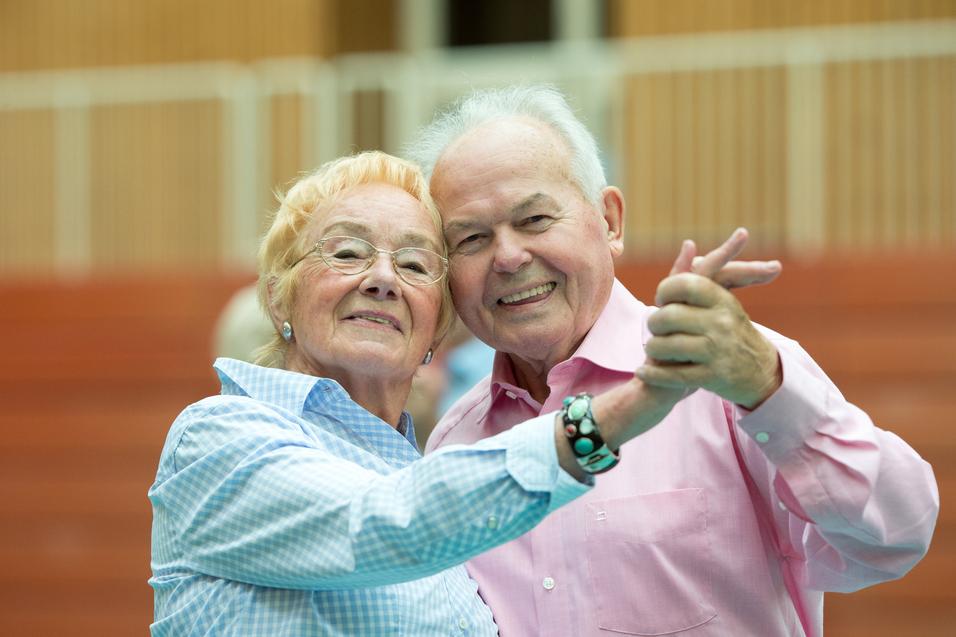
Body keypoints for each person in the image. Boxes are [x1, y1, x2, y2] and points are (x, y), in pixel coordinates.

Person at [147, 151, 770, 635]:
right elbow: (384, 522)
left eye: (416, 265)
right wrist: (633, 404)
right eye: (347, 252)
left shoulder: (438, 465)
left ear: (435, 331)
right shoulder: (218, 437)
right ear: (280, 294)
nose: (384, 279)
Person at [408, 85, 939, 637]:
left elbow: (896, 536)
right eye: (471, 238)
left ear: (610, 221)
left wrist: (767, 388)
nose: (509, 256)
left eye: (536, 219)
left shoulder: (733, 376)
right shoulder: (455, 440)